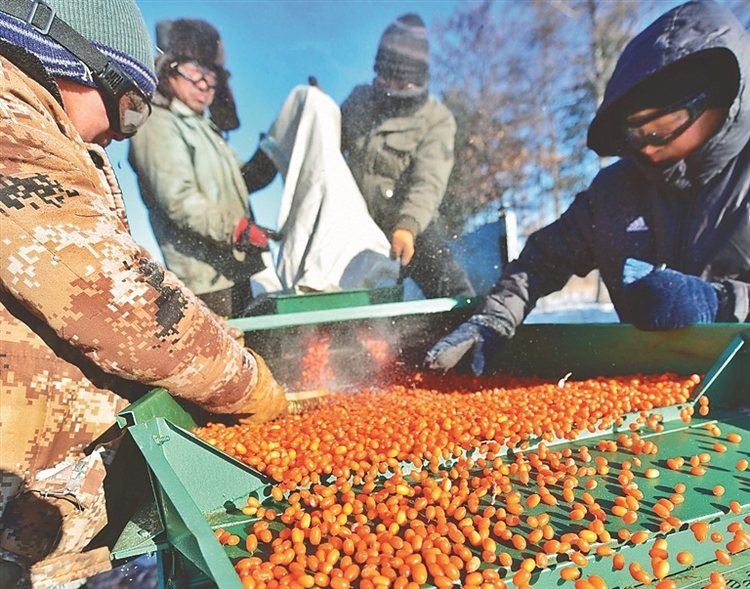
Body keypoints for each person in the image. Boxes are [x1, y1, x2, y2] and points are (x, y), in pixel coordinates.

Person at [0, 2, 287, 587]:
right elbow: (119, 299)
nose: (118, 135)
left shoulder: (44, 129)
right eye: (132, 108)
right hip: (24, 536)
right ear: (75, 62)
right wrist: (255, 386)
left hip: (48, 527)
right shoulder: (10, 129)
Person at [425, 0, 750, 375]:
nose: (646, 145)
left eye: (663, 125)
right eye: (635, 131)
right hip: (644, 384)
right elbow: (540, 262)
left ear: (722, 101)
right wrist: (496, 318)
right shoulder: (615, 192)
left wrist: (721, 303)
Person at [128, 18, 268, 317]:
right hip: (205, 282)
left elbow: (245, 180)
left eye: (211, 74)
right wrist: (238, 229)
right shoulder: (158, 122)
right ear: (169, 69)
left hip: (233, 271)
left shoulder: (206, 128)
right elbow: (179, 201)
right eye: (194, 71)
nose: (204, 83)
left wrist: (274, 150)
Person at [340, 13, 476, 299]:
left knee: (451, 286)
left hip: (408, 226)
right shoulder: (359, 100)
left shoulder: (436, 118)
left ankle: (473, 329)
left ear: (417, 79)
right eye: (385, 77)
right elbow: (327, 151)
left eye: (400, 83)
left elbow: (428, 183)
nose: (390, 87)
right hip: (353, 221)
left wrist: (407, 226)